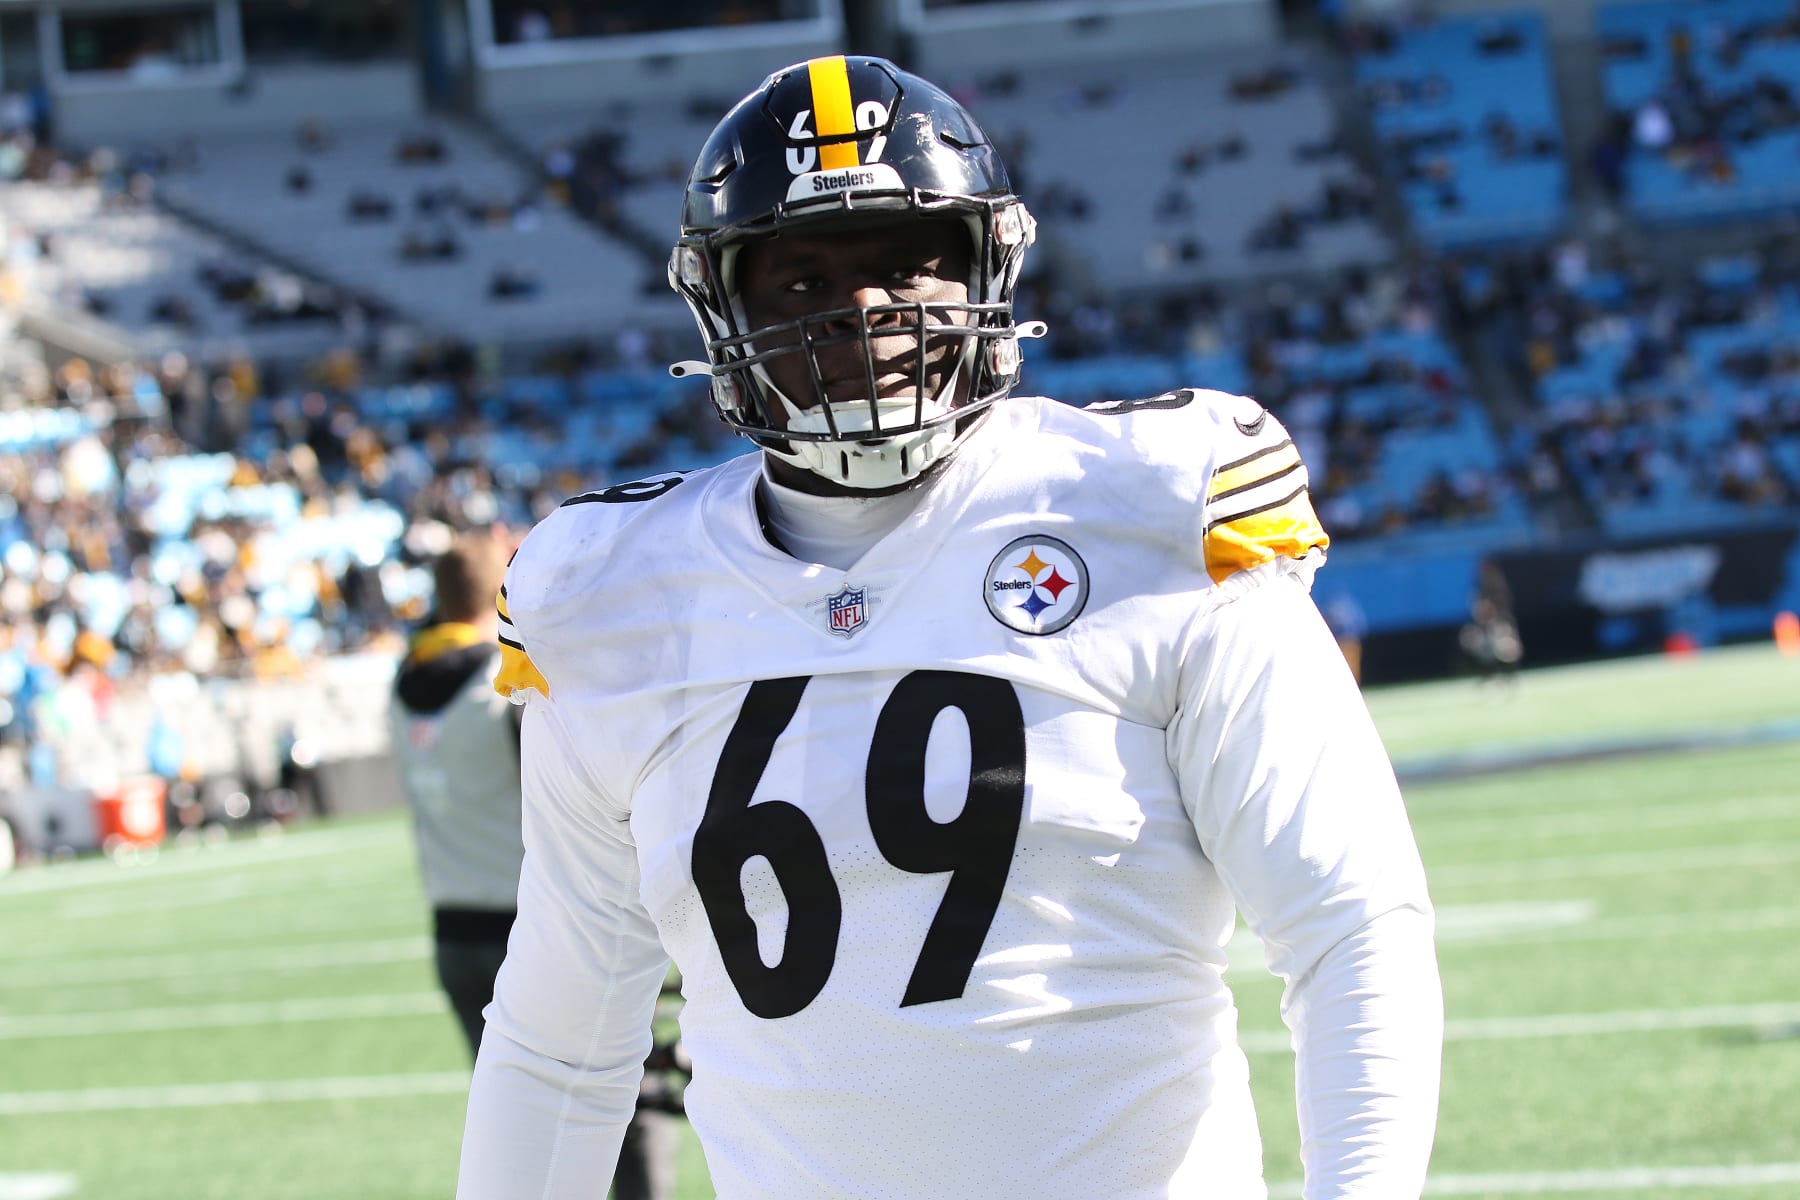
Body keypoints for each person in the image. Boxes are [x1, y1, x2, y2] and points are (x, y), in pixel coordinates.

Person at [459, 56, 1442, 1199]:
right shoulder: (611, 594)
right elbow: (559, 1046)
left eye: (904, 260)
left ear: (990, 264)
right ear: (719, 312)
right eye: (797, 276)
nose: (861, 305)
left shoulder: (1152, 511)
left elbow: (1350, 923)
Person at [396, 530, 681, 1200]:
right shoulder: (500, 683)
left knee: (527, 1135)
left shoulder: (403, 680)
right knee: (622, 1113)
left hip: (451, 929)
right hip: (539, 929)